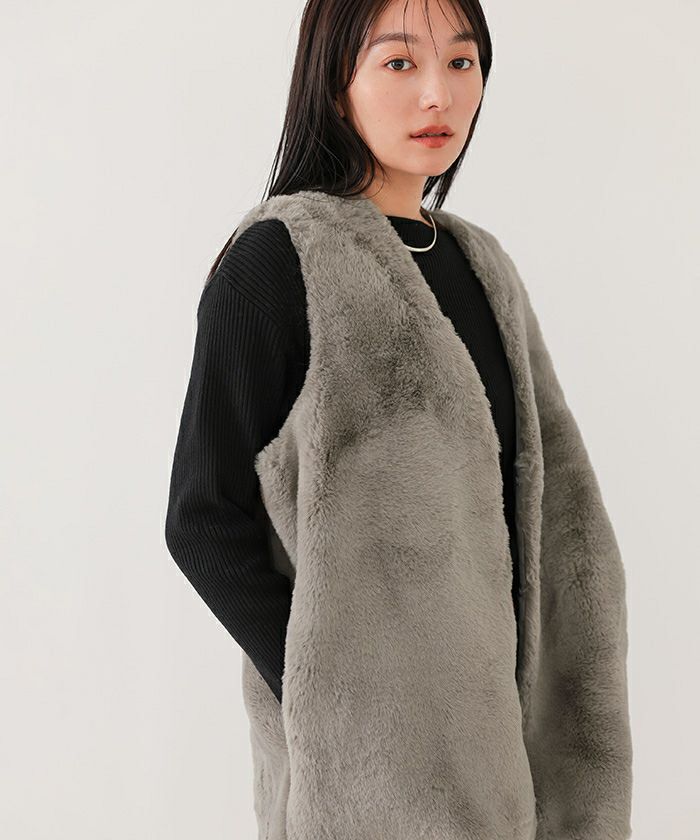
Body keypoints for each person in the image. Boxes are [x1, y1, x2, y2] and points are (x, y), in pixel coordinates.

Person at [164, 1, 633, 838]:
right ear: (333, 81)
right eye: (399, 63)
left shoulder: (483, 264)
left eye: (461, 62)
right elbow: (201, 517)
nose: (437, 95)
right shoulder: (277, 260)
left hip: (514, 760)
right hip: (367, 789)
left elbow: (541, 502)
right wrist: (338, 700)